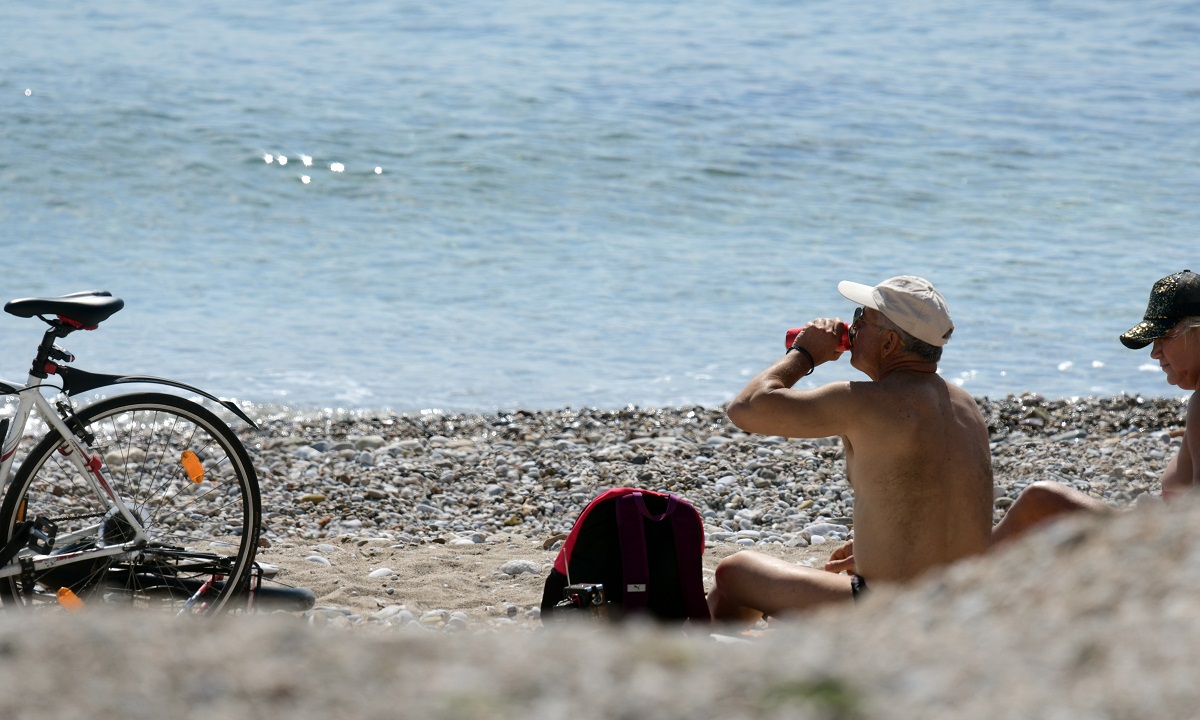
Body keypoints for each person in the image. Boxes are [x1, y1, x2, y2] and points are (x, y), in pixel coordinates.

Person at [707, 276, 994, 624]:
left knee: (735, 573)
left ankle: (708, 663)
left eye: (861, 318)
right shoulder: (964, 406)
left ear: (889, 343)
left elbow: (746, 410)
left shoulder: (863, 401)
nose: (851, 327)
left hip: (896, 611)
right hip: (966, 602)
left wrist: (804, 354)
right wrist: (882, 550)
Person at [991, 269, 1200, 545]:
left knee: (1040, 499)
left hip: (1167, 549)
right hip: (1168, 540)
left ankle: (958, 578)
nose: (1154, 352)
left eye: (1164, 336)